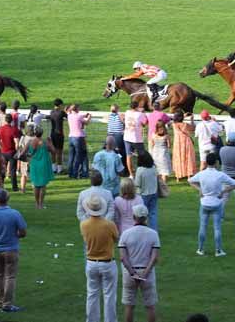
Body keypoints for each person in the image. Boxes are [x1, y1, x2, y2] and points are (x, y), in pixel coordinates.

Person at [189, 153, 235, 256]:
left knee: (202, 226)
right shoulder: (220, 174)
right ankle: (218, 250)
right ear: (216, 162)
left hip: (204, 203)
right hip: (217, 203)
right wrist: (223, 192)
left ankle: (200, 249)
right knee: (217, 228)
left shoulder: (202, 174)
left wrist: (200, 190)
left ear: (206, 162)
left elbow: (190, 181)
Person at [80, 194, 119, 322]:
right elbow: (115, 238)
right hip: (107, 262)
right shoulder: (110, 225)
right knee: (109, 296)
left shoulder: (84, 225)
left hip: (91, 262)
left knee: (92, 294)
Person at [118, 204, 160, 322]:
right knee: (150, 306)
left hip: (129, 273)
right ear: (146, 217)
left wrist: (133, 273)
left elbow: (123, 257)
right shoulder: (153, 234)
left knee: (129, 306)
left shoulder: (125, 234)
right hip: (148, 272)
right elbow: (155, 257)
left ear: (134, 217)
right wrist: (146, 273)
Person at [27, 126, 55, 209]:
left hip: (34, 164)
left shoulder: (30, 141)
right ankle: (41, 204)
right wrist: (51, 143)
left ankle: (36, 203)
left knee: (36, 185)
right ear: (42, 133)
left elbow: (26, 153)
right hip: (43, 164)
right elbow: (54, 152)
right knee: (43, 185)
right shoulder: (45, 142)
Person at [134, 151, 159, 231]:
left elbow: (137, 184)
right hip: (154, 192)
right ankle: (154, 230)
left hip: (143, 194)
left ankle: (142, 229)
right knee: (153, 213)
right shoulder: (154, 168)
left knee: (141, 213)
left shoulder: (140, 170)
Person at [0, 114, 21, 192]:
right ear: (11, 121)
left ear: (5, 120)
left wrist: (0, 147)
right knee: (12, 170)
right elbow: (16, 142)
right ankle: (14, 187)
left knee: (2, 170)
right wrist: (18, 151)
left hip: (3, 151)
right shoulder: (14, 129)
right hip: (12, 152)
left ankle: (1, 185)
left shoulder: (0, 129)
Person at [123, 101, 147, 177]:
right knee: (141, 155)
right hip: (137, 139)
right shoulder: (140, 114)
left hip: (127, 137)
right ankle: (141, 173)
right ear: (137, 106)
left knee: (128, 156)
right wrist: (143, 113)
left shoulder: (127, 112)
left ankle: (131, 174)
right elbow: (144, 124)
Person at [67, 104, 91, 179]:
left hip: (71, 137)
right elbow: (86, 122)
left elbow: (79, 117)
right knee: (79, 156)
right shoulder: (78, 116)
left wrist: (84, 115)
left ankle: (70, 173)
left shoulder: (69, 115)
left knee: (71, 156)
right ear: (77, 109)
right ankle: (76, 173)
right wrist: (89, 116)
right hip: (79, 137)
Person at [172, 112, 196, 182]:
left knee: (178, 157)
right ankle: (189, 175)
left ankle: (178, 176)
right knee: (188, 157)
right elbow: (193, 128)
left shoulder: (174, 125)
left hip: (177, 143)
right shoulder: (185, 125)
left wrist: (183, 116)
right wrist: (191, 119)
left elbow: (174, 120)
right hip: (186, 142)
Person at [49, 99, 67, 174]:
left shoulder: (52, 112)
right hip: (59, 134)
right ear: (59, 105)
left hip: (52, 133)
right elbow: (67, 116)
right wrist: (65, 111)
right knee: (59, 152)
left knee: (53, 152)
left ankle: (54, 168)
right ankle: (59, 168)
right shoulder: (61, 112)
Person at [107, 104, 126, 170]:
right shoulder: (120, 115)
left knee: (112, 151)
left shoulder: (109, 116)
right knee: (120, 152)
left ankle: (113, 166)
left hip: (110, 135)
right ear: (117, 109)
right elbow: (124, 122)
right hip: (117, 135)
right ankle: (121, 167)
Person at [17, 126, 35, 193]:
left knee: (23, 175)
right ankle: (34, 189)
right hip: (33, 158)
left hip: (24, 158)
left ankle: (22, 189)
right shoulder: (35, 138)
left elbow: (19, 146)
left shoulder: (23, 137)